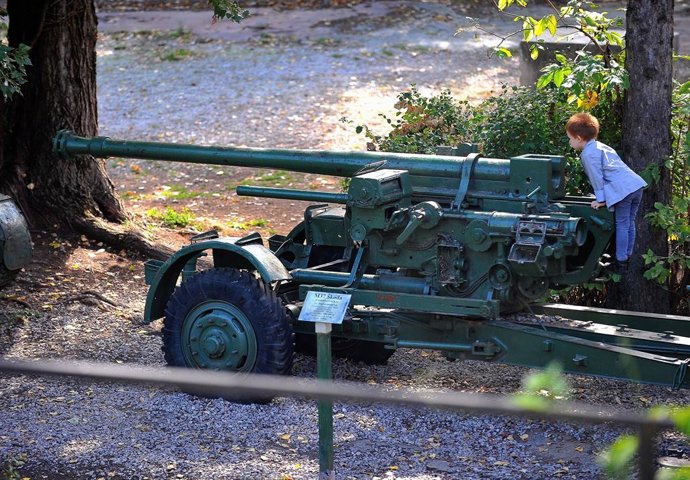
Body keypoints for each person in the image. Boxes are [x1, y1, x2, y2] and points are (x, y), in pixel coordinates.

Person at [565, 112, 647, 274]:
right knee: (629, 222)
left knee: (622, 223)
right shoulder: (601, 146)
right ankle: (627, 255)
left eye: (570, 138)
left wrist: (601, 200)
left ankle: (621, 261)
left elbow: (597, 178)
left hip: (624, 191)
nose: (570, 142)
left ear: (579, 138)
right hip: (635, 185)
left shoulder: (588, 154)